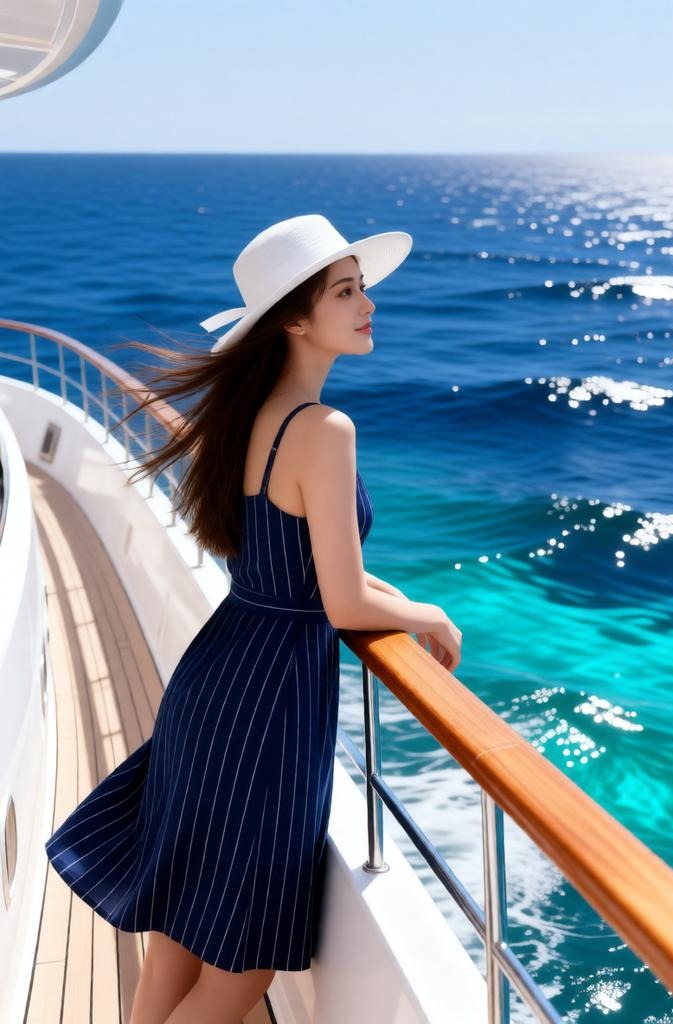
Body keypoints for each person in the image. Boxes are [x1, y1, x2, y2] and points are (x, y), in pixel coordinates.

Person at [43, 213, 462, 1024]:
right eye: (348, 292)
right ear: (297, 319)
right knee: (241, 970)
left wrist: (395, 601)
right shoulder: (323, 429)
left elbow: (301, 561)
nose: (368, 304)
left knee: (177, 943)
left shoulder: (248, 419)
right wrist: (428, 614)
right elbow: (341, 601)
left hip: (218, 683)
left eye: (363, 288)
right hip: (271, 704)